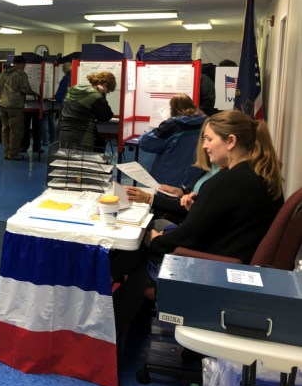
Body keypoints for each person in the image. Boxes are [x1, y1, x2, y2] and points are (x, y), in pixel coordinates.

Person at [111, 111, 284, 333]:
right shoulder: (260, 176)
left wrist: (154, 241)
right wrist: (197, 210)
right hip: (236, 264)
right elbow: (219, 220)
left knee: (140, 256)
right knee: (144, 245)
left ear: (231, 141)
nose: (205, 146)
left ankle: (107, 335)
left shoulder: (226, 182)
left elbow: (188, 237)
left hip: (213, 272)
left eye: (209, 139)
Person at [138, 93, 206, 188]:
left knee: (164, 202)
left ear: (173, 108)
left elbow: (146, 143)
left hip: (169, 178)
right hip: (195, 177)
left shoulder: (172, 125)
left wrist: (143, 136)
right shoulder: (205, 123)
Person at [57, 71, 116, 148]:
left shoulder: (73, 89)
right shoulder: (95, 96)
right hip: (82, 137)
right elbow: (106, 116)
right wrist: (102, 95)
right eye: (107, 91)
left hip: (64, 133)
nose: (107, 92)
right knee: (82, 159)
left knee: (65, 158)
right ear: (105, 85)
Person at [0, 55, 39, 160]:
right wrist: (35, 94)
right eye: (24, 65)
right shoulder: (20, 74)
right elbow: (25, 89)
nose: (24, 67)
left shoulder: (3, 73)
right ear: (21, 64)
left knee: (5, 129)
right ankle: (13, 154)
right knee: (15, 131)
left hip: (1, 105)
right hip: (14, 106)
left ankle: (6, 152)